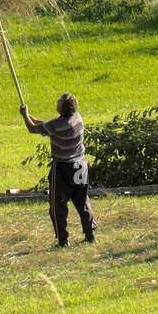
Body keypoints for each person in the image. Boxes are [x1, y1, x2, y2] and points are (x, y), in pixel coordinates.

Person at [22, 93, 97, 247]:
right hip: (80, 165)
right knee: (82, 201)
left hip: (64, 168)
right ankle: (90, 235)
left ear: (63, 108)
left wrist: (24, 115)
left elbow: (32, 129)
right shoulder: (77, 117)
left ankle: (63, 240)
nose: (56, 102)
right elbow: (46, 126)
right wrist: (31, 116)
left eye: (59, 102)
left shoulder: (57, 125)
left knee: (58, 205)